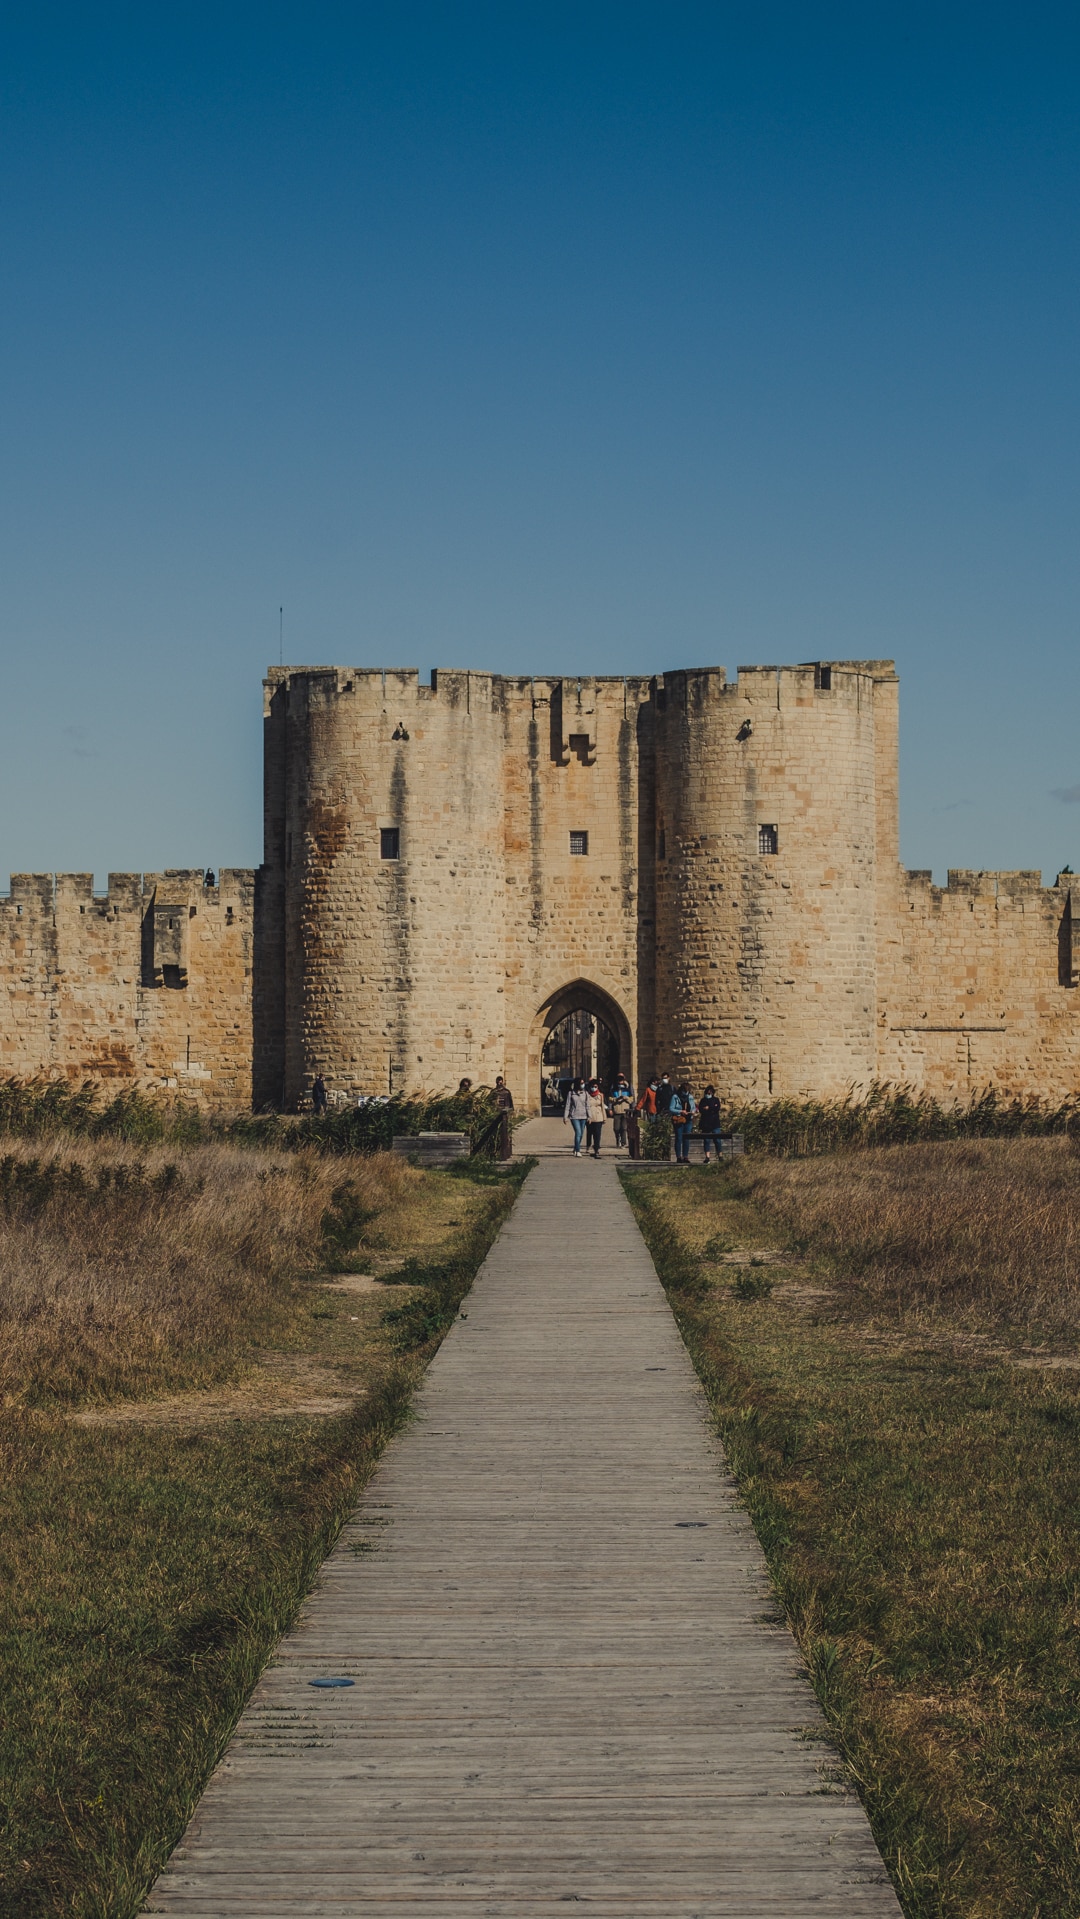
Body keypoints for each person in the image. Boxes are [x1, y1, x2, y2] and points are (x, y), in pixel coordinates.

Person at [669, 1082, 697, 1164]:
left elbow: (693, 1107)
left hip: (688, 1119)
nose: (686, 1092)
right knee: (679, 1138)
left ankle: (685, 1156)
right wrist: (680, 1111)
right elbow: (671, 1108)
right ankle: (678, 1156)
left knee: (686, 1138)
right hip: (679, 1119)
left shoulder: (690, 1097)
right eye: (685, 1091)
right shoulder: (675, 1097)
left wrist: (693, 1112)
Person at [564, 1077, 589, 1156]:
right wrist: (565, 1117)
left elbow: (587, 1105)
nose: (583, 1084)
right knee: (578, 1132)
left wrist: (590, 1116)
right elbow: (568, 1105)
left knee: (581, 1134)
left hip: (583, 1116)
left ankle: (575, 1147)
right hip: (574, 1116)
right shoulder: (571, 1093)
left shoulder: (585, 1093)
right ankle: (578, 1150)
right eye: (581, 1083)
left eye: (583, 1083)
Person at [609, 1074, 635, 1148]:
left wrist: (626, 1098)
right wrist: (614, 1102)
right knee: (616, 1128)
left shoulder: (628, 1088)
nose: (620, 1082)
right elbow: (610, 1099)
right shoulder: (614, 1088)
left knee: (624, 1128)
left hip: (625, 1110)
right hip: (617, 1110)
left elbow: (632, 1099)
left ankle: (623, 1142)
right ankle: (618, 1139)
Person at [699, 1084, 722, 1163]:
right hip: (706, 1123)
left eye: (710, 1093)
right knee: (706, 1140)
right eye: (707, 1093)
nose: (708, 1094)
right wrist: (711, 1108)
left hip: (715, 1123)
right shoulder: (703, 1100)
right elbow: (701, 1110)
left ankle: (720, 1156)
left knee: (717, 1140)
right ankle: (707, 1157)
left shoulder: (716, 1100)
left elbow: (717, 1108)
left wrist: (708, 1108)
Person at [585, 1079, 607, 1159]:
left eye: (595, 1086)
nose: (594, 1088)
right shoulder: (587, 1095)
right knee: (589, 1133)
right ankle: (588, 1145)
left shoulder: (600, 1095)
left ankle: (596, 1149)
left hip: (598, 1117)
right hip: (590, 1117)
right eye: (592, 1086)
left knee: (597, 1134)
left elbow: (602, 1106)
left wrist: (604, 1118)